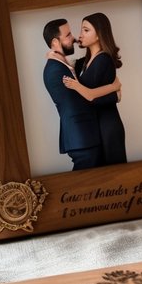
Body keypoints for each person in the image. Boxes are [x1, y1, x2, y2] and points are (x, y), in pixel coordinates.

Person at [62, 12, 127, 165]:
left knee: (114, 177)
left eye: (86, 30)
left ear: (99, 35)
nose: (80, 35)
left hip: (107, 128)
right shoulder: (84, 62)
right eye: (81, 30)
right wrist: (114, 91)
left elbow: (89, 99)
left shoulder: (103, 59)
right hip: (95, 127)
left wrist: (113, 93)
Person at [41, 18, 103, 171]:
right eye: (68, 35)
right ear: (55, 42)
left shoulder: (62, 64)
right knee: (84, 186)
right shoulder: (55, 70)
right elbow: (80, 99)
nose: (74, 38)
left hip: (83, 134)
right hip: (81, 136)